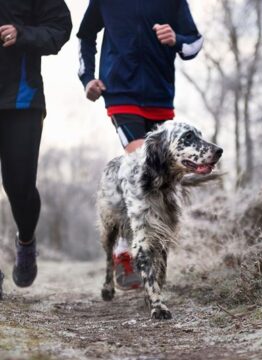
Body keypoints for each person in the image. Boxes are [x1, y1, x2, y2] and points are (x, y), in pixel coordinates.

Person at [77, 0, 203, 289]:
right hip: (120, 92)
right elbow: (85, 35)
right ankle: (124, 248)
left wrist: (176, 39)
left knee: (159, 179)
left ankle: (152, 246)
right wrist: (87, 78)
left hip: (160, 98)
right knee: (139, 166)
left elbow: (194, 41)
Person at [0, 0, 72, 289]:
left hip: (21, 101)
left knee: (20, 188)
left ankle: (26, 241)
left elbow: (60, 28)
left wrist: (23, 34)